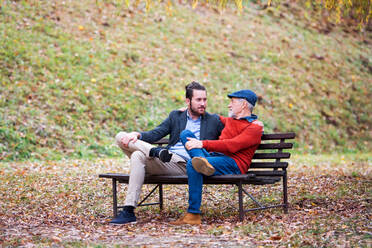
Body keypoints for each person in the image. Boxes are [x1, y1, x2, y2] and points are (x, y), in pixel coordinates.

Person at [110, 81, 224, 224]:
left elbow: (233, 129)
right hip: (166, 160)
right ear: (188, 101)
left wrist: (253, 121)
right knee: (122, 138)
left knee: (137, 154)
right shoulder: (176, 116)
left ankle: (127, 210)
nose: (202, 103)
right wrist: (137, 134)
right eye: (198, 100)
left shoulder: (214, 120)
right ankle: (129, 211)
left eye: (205, 99)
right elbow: (156, 133)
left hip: (187, 164)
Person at [171, 89, 264, 225]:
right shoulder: (230, 120)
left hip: (233, 164)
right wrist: (189, 109)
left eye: (232, 102)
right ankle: (203, 164)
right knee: (186, 134)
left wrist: (202, 143)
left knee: (192, 164)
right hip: (215, 158)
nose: (229, 105)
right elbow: (212, 117)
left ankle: (193, 215)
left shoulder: (254, 128)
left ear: (244, 104)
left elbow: (232, 145)